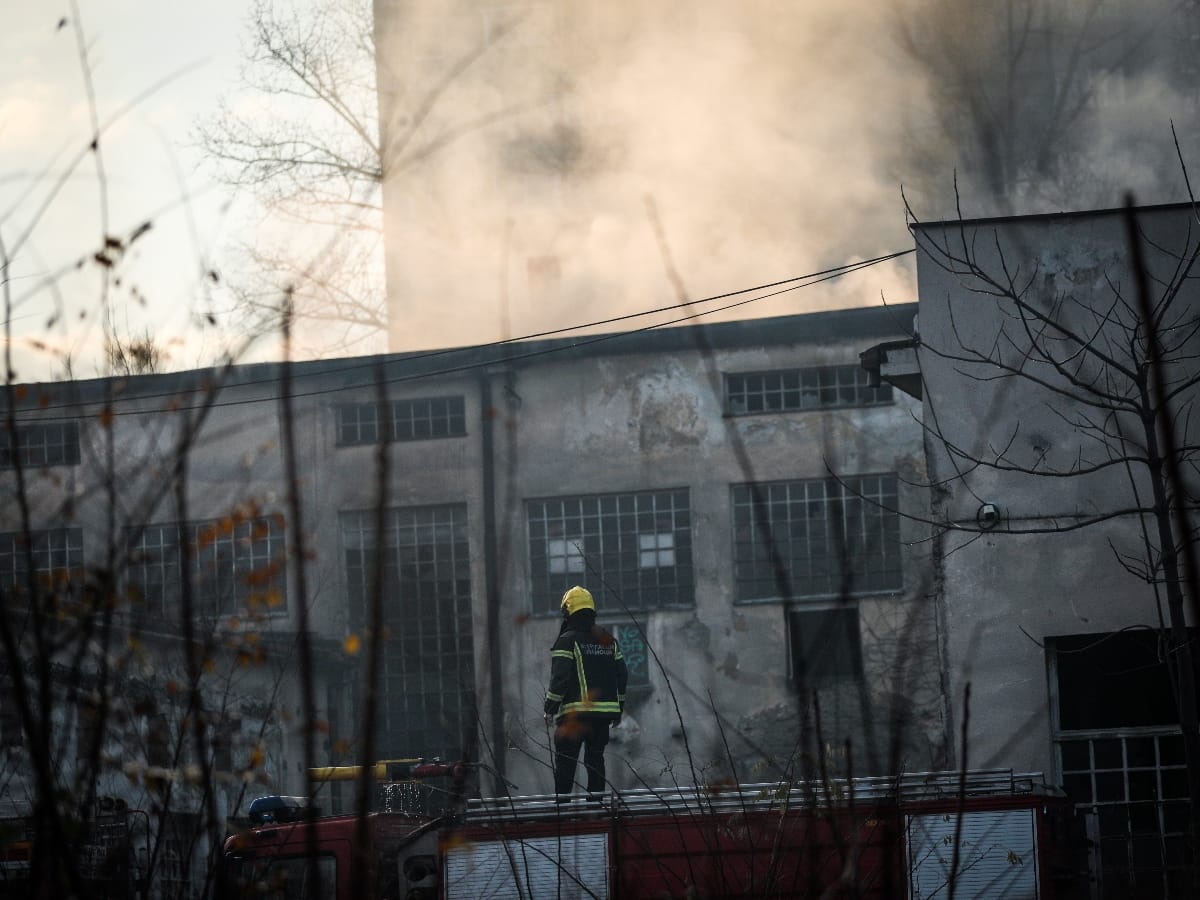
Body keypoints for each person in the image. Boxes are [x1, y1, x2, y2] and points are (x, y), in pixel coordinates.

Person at [544, 585, 627, 800]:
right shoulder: (608, 640)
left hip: (575, 715)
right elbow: (622, 675)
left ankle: (562, 809)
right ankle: (596, 809)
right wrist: (618, 710)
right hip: (603, 716)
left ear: (568, 611)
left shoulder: (567, 640)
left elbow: (560, 678)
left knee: (565, 762)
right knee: (596, 760)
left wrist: (550, 708)